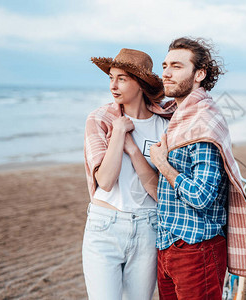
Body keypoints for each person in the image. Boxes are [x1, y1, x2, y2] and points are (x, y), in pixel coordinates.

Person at [150, 37, 246, 299]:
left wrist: (162, 164)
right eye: (164, 65)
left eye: (177, 66)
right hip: (167, 244)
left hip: (196, 248)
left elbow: (201, 196)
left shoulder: (202, 122)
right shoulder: (179, 117)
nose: (167, 73)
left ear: (199, 74)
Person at [82, 48, 175, 300]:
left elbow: (159, 191)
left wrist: (134, 151)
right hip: (105, 227)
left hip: (148, 227)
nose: (113, 85)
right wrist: (119, 131)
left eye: (122, 78)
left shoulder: (165, 126)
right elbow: (106, 181)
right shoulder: (100, 119)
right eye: (111, 77)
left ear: (141, 83)